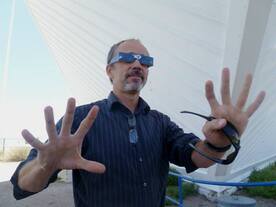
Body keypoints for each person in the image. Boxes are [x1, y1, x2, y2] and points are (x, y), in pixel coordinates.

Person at [11, 39, 265, 207]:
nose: (137, 64)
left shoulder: (161, 122)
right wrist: (44, 165)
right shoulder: (80, 120)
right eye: (127, 57)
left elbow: (197, 156)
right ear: (109, 70)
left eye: (145, 61)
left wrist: (220, 141)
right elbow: (23, 187)